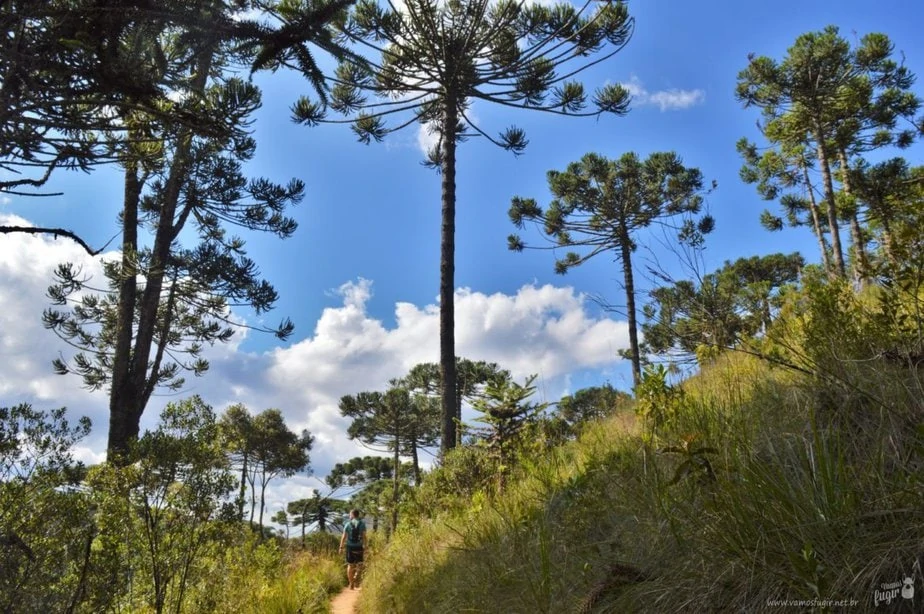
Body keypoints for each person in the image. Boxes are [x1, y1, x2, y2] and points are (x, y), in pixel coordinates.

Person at [339, 509, 367, 589]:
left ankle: (351, 583)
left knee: (350, 565)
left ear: (352, 515)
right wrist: (366, 546)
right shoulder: (362, 524)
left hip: (350, 547)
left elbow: (344, 537)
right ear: (358, 515)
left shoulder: (348, 524)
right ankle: (356, 578)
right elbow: (364, 536)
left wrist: (341, 547)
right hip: (359, 547)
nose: (349, 516)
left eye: (350, 514)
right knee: (360, 564)